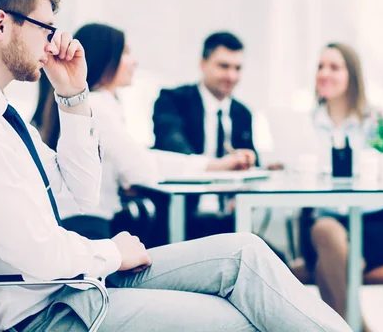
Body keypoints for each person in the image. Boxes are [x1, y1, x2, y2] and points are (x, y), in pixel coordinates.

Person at [0, 0, 351, 332]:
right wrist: (111, 253)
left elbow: (77, 194)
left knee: (245, 252)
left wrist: (73, 96)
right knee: (238, 318)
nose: (51, 41)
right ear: (1, 24)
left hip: (72, 285)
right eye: (46, 27)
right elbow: (36, 254)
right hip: (49, 310)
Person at [33, 23, 256, 244]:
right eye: (126, 53)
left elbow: (138, 161)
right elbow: (143, 169)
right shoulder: (98, 106)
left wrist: (213, 165)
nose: (135, 61)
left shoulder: (101, 104)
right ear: (106, 59)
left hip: (90, 226)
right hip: (90, 230)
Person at [290, 42, 383, 332]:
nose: (324, 73)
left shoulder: (377, 122)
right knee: (326, 232)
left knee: (327, 266)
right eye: (320, 66)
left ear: (351, 75)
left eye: (334, 67)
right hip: (322, 224)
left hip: (374, 225)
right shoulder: (303, 124)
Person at [152, 32, 264, 239]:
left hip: (229, 223)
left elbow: (251, 166)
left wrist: (250, 163)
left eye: (237, 68)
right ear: (203, 64)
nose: (232, 76)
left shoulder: (242, 113)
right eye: (224, 66)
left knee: (275, 261)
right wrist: (219, 165)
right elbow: (173, 146)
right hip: (182, 220)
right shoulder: (173, 101)